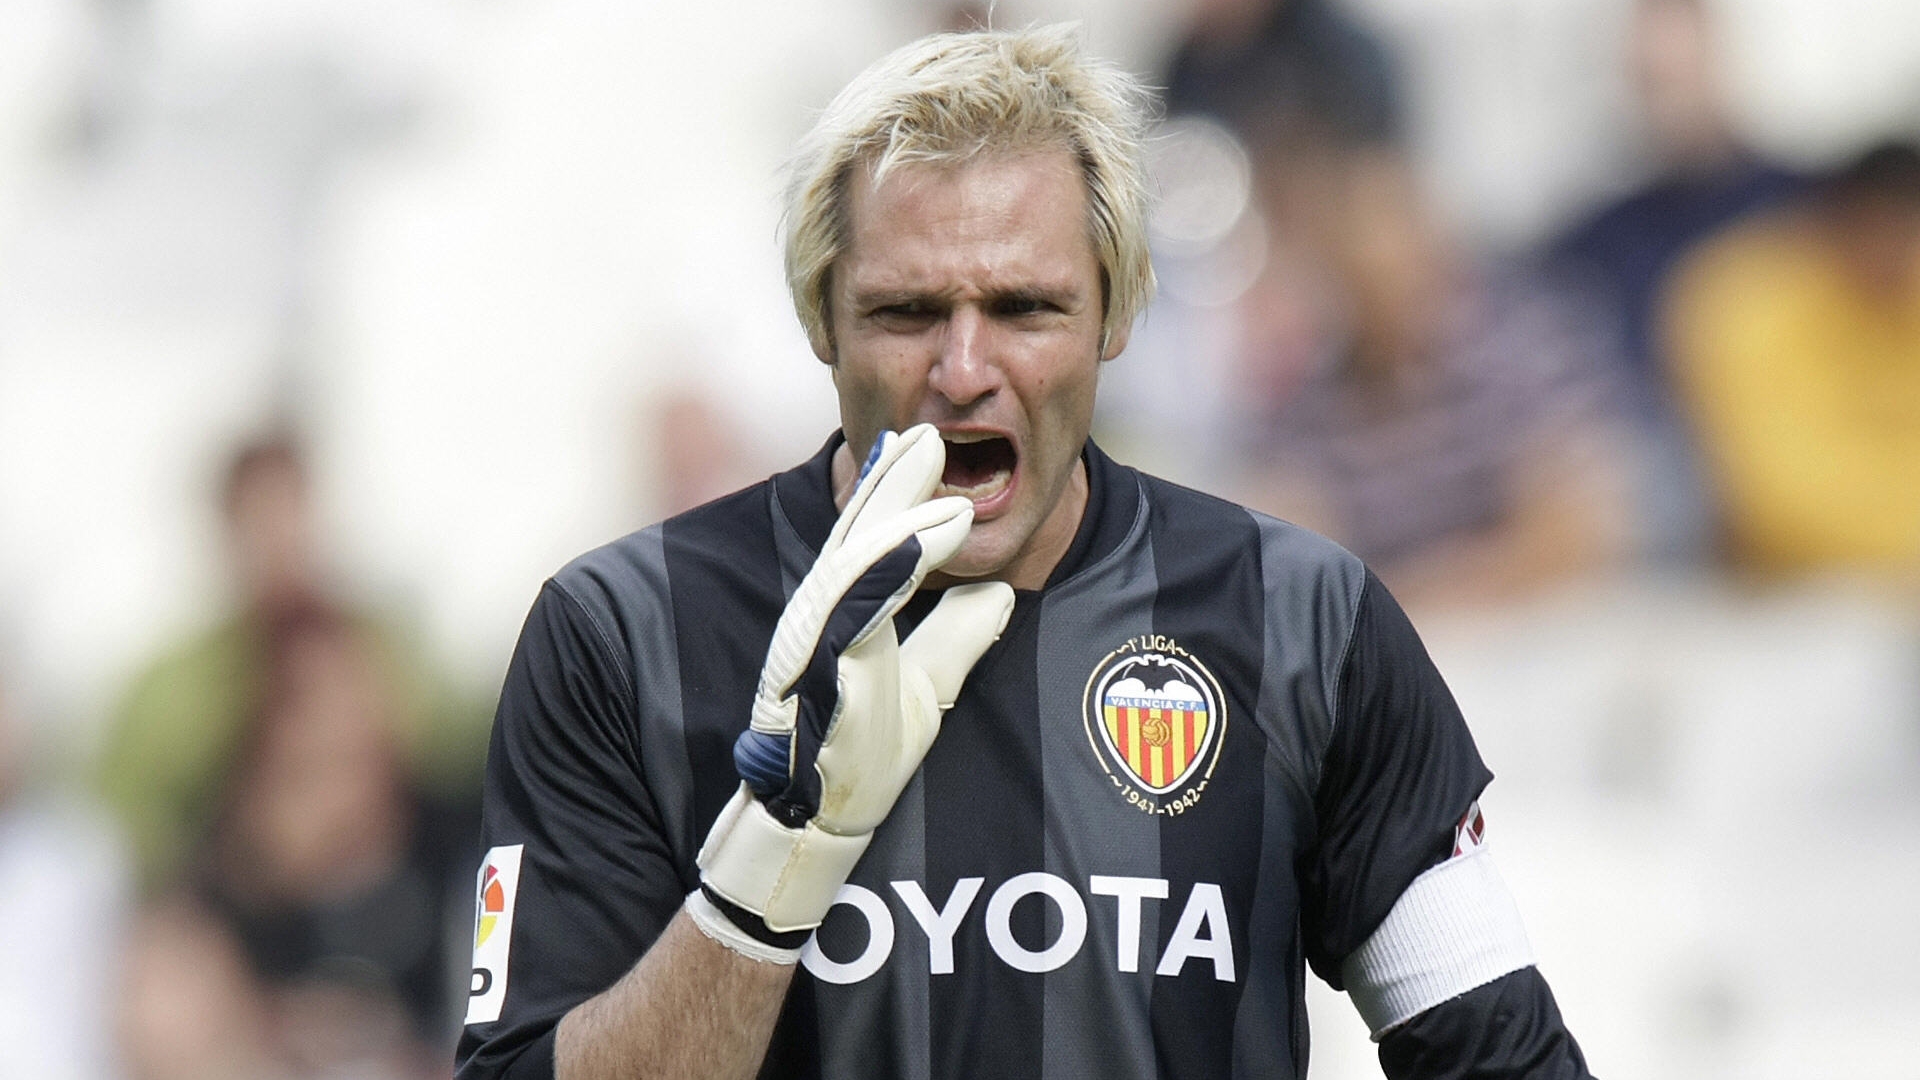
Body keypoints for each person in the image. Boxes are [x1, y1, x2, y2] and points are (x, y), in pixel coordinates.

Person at [457, 26, 1593, 1080]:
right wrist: (770, 872)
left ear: (1116, 314)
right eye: (906, 312)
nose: (962, 369)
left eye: (1024, 307)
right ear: (819, 318)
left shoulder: (1302, 621)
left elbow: (1499, 1051)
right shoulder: (623, 631)